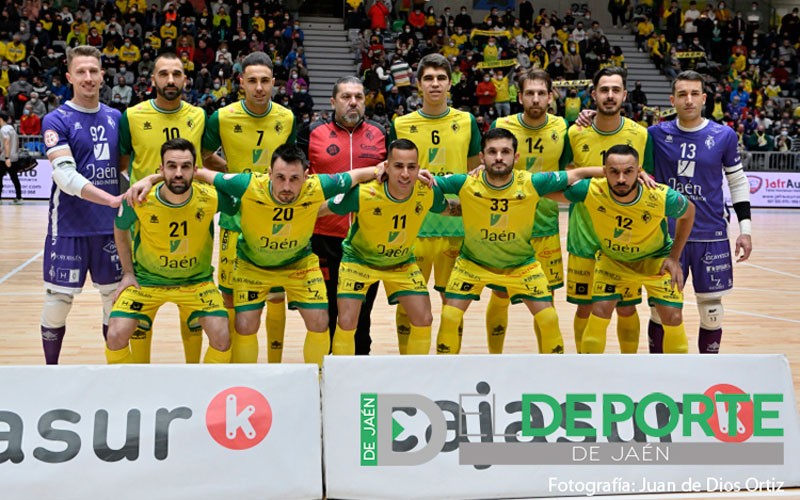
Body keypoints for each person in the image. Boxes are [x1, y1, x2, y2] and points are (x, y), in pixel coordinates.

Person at [192, 144, 384, 367]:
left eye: (294, 179)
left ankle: (318, 381)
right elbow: (198, 172)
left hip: (298, 265)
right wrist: (150, 180)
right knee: (245, 326)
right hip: (253, 266)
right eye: (280, 177)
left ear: (306, 176)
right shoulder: (248, 184)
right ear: (269, 173)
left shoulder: (318, 186)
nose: (286, 186)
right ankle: (248, 383)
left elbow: (356, 175)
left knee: (321, 321)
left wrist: (383, 168)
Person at [434, 128, 600, 354]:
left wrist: (614, 171)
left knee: (549, 318)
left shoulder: (531, 181)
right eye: (492, 152)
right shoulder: (465, 182)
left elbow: (576, 174)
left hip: (522, 266)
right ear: (482, 157)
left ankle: (553, 378)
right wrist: (446, 208)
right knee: (449, 316)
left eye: (505, 151)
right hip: (472, 264)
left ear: (516, 157)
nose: (499, 157)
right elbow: (429, 183)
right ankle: (446, 377)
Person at [119, 52, 217, 364]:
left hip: (193, 213)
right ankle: (141, 373)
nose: (170, 80)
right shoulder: (132, 116)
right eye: (164, 74)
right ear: (153, 79)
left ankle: (192, 370)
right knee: (143, 304)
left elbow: (203, 161)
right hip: (147, 221)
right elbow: (123, 165)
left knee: (192, 300)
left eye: (177, 74)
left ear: (186, 80)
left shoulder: (199, 116)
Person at [645, 70, 752, 354]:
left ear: (704, 99)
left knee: (712, 309)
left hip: (711, 235)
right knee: (660, 310)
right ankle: (656, 368)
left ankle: (707, 372)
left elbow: (737, 181)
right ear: (672, 99)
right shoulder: (655, 134)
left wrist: (746, 231)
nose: (688, 100)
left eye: (694, 94)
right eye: (682, 94)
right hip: (666, 238)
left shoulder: (724, 135)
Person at [202, 51, 296, 363]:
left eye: (265, 81)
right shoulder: (222, 117)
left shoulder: (286, 118)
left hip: (276, 219)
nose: (259, 87)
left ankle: (275, 366)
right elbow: (202, 156)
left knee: (275, 294)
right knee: (229, 295)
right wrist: (230, 173)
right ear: (241, 83)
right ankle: (232, 367)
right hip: (235, 218)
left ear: (274, 83)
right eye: (252, 80)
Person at [106, 139, 233, 364]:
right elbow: (120, 228)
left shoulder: (211, 198)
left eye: (185, 167)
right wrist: (127, 273)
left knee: (222, 337)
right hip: (146, 281)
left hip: (197, 282)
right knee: (115, 335)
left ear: (195, 170)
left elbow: (243, 194)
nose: (178, 173)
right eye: (171, 166)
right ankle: (125, 392)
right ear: (161, 168)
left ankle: (205, 390)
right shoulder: (139, 198)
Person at [562, 144, 695, 354]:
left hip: (655, 260)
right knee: (599, 310)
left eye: (629, 172)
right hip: (614, 260)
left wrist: (674, 256)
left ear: (638, 170)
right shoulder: (594, 190)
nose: (622, 179)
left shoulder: (660, 196)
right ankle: (589, 373)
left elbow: (689, 212)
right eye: (614, 172)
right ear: (605, 172)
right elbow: (545, 188)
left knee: (673, 316)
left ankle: (676, 380)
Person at [388, 53, 481, 353]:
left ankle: (447, 367)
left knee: (452, 307)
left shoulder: (466, 121)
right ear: (418, 85)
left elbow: (473, 174)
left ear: (450, 83)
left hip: (455, 225)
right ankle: (410, 365)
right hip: (412, 227)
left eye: (441, 78)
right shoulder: (401, 124)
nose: (435, 84)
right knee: (408, 304)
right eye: (428, 78)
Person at [39, 46, 124, 364]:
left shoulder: (117, 118)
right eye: (81, 72)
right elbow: (64, 175)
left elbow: (125, 169)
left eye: (93, 71)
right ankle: (51, 371)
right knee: (58, 300)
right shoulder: (55, 119)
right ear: (69, 77)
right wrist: (109, 198)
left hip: (110, 228)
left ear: (102, 75)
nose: (88, 77)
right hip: (69, 227)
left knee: (113, 301)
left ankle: (113, 372)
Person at [324, 139, 447, 355]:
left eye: (411, 167)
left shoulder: (426, 191)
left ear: (419, 168)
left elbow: (453, 207)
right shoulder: (364, 194)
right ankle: (340, 378)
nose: (405, 174)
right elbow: (320, 209)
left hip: (401, 263)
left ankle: (415, 375)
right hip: (359, 262)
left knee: (424, 318)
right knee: (346, 322)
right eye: (399, 166)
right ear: (386, 167)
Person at [297, 76, 387, 355]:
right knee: (326, 312)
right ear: (333, 101)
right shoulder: (310, 132)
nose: (353, 102)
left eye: (358, 97)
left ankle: (358, 371)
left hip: (366, 239)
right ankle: (325, 374)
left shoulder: (381, 132)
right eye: (346, 97)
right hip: (323, 236)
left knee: (360, 315)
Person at [486, 69, 572, 354]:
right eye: (530, 93)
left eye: (541, 93)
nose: (535, 99)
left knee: (545, 301)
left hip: (545, 225)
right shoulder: (502, 124)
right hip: (507, 227)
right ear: (520, 97)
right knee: (499, 294)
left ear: (550, 97)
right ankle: (494, 359)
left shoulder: (563, 127)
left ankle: (547, 363)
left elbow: (569, 170)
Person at [568, 66, 652, 354]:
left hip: (625, 240)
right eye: (604, 90)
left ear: (625, 94)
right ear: (593, 94)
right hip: (584, 235)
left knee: (626, 309)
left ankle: (627, 366)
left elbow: (648, 182)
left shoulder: (640, 134)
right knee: (584, 308)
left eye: (616, 90)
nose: (610, 95)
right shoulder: (575, 132)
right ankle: (584, 366)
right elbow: (567, 176)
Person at [0, 111, 22, 204]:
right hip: (14, 157)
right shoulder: (12, 128)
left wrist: (7, 157)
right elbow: (17, 142)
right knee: (14, 178)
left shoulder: (3, 129)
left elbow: (7, 142)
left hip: (5, 158)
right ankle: (19, 197)